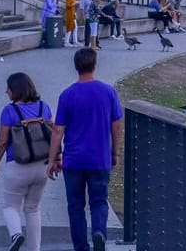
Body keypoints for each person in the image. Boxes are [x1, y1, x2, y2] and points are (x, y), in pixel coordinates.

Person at [49, 47, 124, 251]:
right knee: (99, 201)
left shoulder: (67, 95)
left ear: (76, 68)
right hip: (99, 159)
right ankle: (99, 231)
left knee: (75, 207)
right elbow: (116, 125)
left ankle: (81, 247)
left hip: (73, 161)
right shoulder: (108, 92)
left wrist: (52, 159)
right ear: (95, 65)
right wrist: (114, 152)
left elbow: (58, 131)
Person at [0, 71, 53, 251]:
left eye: (8, 89)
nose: (6, 92)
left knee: (10, 206)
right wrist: (56, 159)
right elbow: (54, 134)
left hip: (18, 165)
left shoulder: (9, 111)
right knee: (33, 209)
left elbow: (3, 142)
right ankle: (34, 249)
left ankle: (16, 234)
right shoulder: (44, 107)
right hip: (42, 166)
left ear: (15, 91)